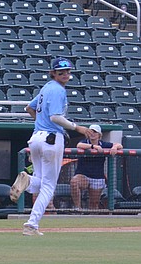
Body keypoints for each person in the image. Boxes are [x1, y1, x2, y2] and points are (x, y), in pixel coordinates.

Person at [10, 58, 92, 236]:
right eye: (61, 72)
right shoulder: (57, 90)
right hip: (51, 139)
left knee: (40, 183)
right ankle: (32, 224)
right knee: (48, 187)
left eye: (68, 72)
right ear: (53, 73)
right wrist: (77, 127)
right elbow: (55, 117)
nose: (65, 75)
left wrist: (42, 123)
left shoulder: (46, 88)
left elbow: (29, 108)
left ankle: (28, 180)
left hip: (37, 137)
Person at [70, 123, 123, 211]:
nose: (93, 134)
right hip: (83, 175)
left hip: (97, 177)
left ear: (99, 135)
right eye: (91, 132)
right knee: (74, 182)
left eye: (95, 132)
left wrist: (114, 147)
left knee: (94, 204)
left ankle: (91, 221)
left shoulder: (104, 144)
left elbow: (120, 145)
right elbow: (78, 145)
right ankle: (78, 208)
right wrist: (93, 146)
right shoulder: (85, 142)